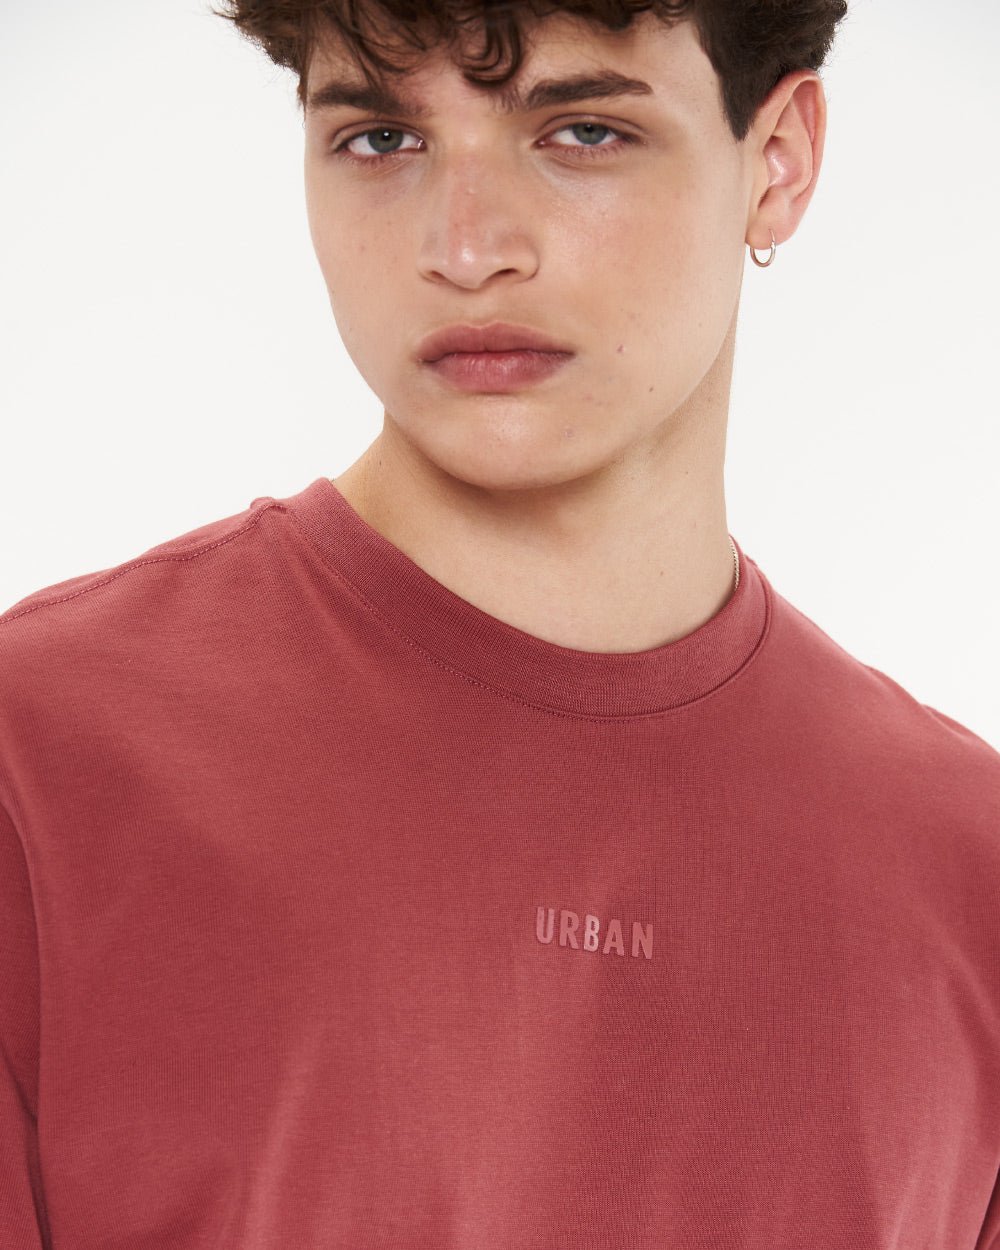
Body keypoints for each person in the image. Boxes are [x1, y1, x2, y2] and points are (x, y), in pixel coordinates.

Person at [1, 0, 998, 1246]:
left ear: (779, 158)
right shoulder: (40, 764)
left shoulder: (969, 872)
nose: (466, 249)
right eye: (380, 139)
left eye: (582, 132)